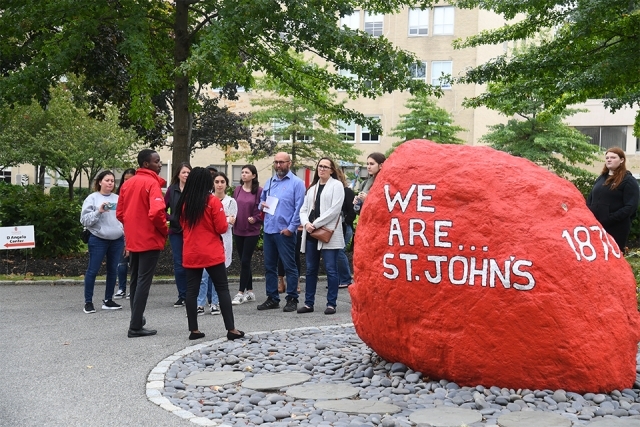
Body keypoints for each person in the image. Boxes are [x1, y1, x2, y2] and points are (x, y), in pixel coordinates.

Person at [175, 167, 244, 341]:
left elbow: (181, 224)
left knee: (191, 291)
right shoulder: (212, 201)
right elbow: (221, 227)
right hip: (211, 251)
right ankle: (231, 329)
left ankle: (194, 330)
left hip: (191, 251)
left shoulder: (184, 202)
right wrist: (227, 219)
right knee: (222, 289)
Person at [116, 149, 168, 338]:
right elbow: (156, 213)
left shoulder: (127, 184)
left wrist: (132, 227)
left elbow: (120, 214)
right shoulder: (152, 183)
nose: (160, 164)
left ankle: (136, 319)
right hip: (149, 239)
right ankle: (135, 325)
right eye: (157, 161)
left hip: (133, 239)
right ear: (146, 164)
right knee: (144, 281)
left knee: (135, 279)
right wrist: (164, 230)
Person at [257, 152, 306, 312]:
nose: (278, 165)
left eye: (282, 162)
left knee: (289, 266)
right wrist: (261, 206)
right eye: (276, 162)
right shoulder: (270, 182)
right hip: (269, 230)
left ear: (289, 163)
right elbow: (261, 202)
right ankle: (272, 298)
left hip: (284, 232)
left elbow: (300, 208)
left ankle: (292, 298)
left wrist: (291, 229)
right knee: (269, 267)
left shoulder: (297, 183)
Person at [298, 158, 345, 315]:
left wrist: (315, 224)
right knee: (311, 269)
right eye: (320, 166)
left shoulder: (337, 186)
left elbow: (334, 210)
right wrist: (306, 224)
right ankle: (308, 303)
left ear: (332, 170)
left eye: (326, 167)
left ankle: (331, 303)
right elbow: (303, 209)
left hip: (328, 233)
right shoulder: (312, 189)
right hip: (311, 232)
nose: (322, 169)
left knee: (331, 269)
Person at [80, 171, 125, 314]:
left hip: (117, 239)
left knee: (113, 270)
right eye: (107, 180)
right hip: (98, 238)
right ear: (100, 182)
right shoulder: (92, 198)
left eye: (112, 180)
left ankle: (108, 300)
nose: (110, 183)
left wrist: (124, 233)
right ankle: (88, 302)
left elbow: (124, 218)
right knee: (93, 270)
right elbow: (84, 220)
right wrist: (99, 211)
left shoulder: (118, 198)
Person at [197, 172, 237, 314]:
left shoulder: (231, 202)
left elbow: (230, 224)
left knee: (218, 275)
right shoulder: (206, 200)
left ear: (226, 184)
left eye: (222, 182)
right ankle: (200, 303)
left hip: (224, 240)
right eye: (217, 182)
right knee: (203, 275)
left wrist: (223, 220)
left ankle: (215, 302)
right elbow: (208, 223)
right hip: (208, 241)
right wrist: (224, 219)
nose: (219, 185)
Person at [587, 147, 640, 251]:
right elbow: (590, 199)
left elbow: (630, 207)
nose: (609, 160)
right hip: (595, 226)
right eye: (607, 157)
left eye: (613, 157)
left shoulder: (628, 180)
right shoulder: (601, 178)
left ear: (621, 160)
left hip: (616, 228)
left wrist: (609, 218)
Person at [232, 165, 262, 305]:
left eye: (247, 172)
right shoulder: (237, 190)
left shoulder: (259, 191)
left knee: (245, 260)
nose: (243, 174)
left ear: (253, 175)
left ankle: (240, 293)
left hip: (252, 231)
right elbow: (233, 207)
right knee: (244, 261)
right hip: (238, 229)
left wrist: (255, 218)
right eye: (242, 172)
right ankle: (250, 292)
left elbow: (262, 210)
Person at [165, 162, 192, 308]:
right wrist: (171, 218)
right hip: (176, 232)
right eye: (184, 172)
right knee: (179, 264)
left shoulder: (193, 190)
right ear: (178, 174)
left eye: (188, 172)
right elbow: (162, 209)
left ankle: (192, 294)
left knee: (191, 263)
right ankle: (182, 295)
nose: (186, 175)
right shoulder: (172, 190)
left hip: (191, 232)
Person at [114, 168, 136, 300]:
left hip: (133, 232)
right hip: (120, 232)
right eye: (125, 180)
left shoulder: (135, 196)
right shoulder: (118, 196)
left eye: (130, 179)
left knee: (133, 263)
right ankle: (121, 287)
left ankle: (133, 288)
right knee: (121, 263)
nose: (127, 182)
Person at [335, 167, 356, 288]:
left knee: (339, 251)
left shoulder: (346, 191)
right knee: (335, 252)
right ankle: (338, 279)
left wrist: (346, 221)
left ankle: (345, 279)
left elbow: (352, 210)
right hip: (335, 226)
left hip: (344, 226)